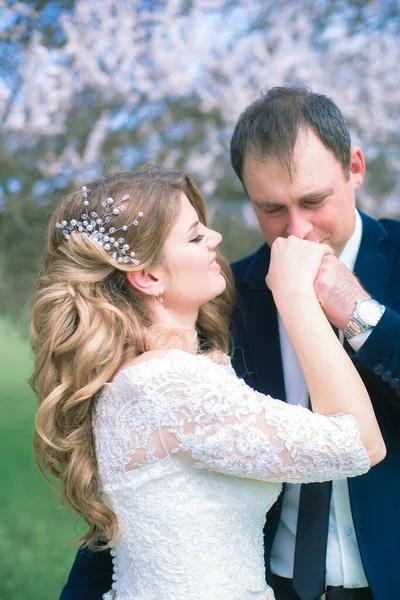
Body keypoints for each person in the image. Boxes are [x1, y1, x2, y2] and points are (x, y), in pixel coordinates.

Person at [32, 166, 384, 600]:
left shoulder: (149, 375)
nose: (215, 238)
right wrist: (294, 293)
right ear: (149, 276)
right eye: (196, 236)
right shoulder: (170, 385)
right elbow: (360, 445)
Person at [229, 87, 400, 600]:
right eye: (271, 209)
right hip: (268, 582)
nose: (298, 230)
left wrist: (361, 314)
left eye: (313, 201)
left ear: (355, 167)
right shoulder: (228, 296)